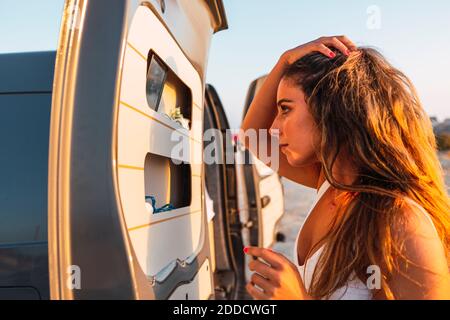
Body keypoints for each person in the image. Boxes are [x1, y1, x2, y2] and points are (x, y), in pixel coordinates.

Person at [240, 36, 450, 299]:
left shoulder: (401, 223)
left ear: (331, 109)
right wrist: (286, 60)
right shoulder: (328, 181)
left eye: (285, 109)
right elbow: (253, 137)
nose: (274, 128)